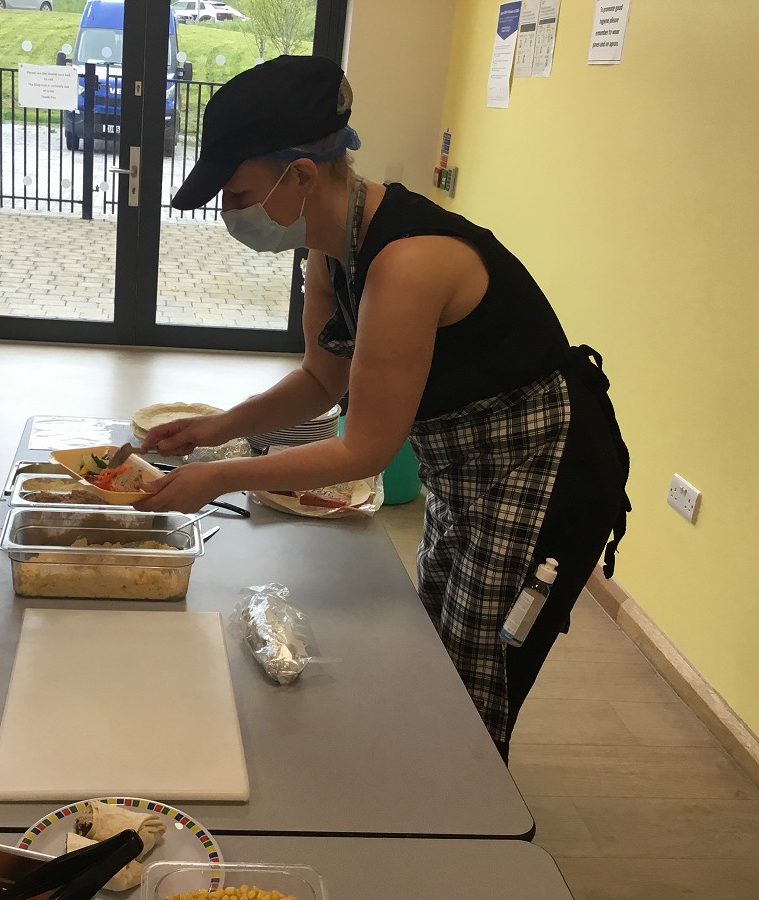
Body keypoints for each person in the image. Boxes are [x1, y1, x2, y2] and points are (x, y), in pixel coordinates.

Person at [136, 56, 631, 764]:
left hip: (543, 473)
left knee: (478, 675)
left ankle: (464, 804)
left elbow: (364, 449)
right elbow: (320, 380)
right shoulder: (330, 249)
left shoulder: (409, 262)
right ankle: (434, 774)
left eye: (238, 193)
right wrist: (216, 430)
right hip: (461, 470)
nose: (230, 213)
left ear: (300, 175)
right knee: (437, 651)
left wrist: (219, 476)